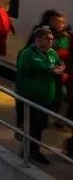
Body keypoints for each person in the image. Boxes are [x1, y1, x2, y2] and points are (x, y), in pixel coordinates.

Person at [16, 26, 65, 164]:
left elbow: (58, 66)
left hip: (46, 97)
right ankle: (29, 151)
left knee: (40, 125)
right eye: (48, 39)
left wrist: (60, 68)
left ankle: (32, 150)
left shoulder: (52, 54)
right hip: (30, 97)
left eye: (52, 39)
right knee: (31, 125)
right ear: (38, 39)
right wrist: (48, 71)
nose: (51, 42)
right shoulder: (27, 54)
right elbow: (24, 73)